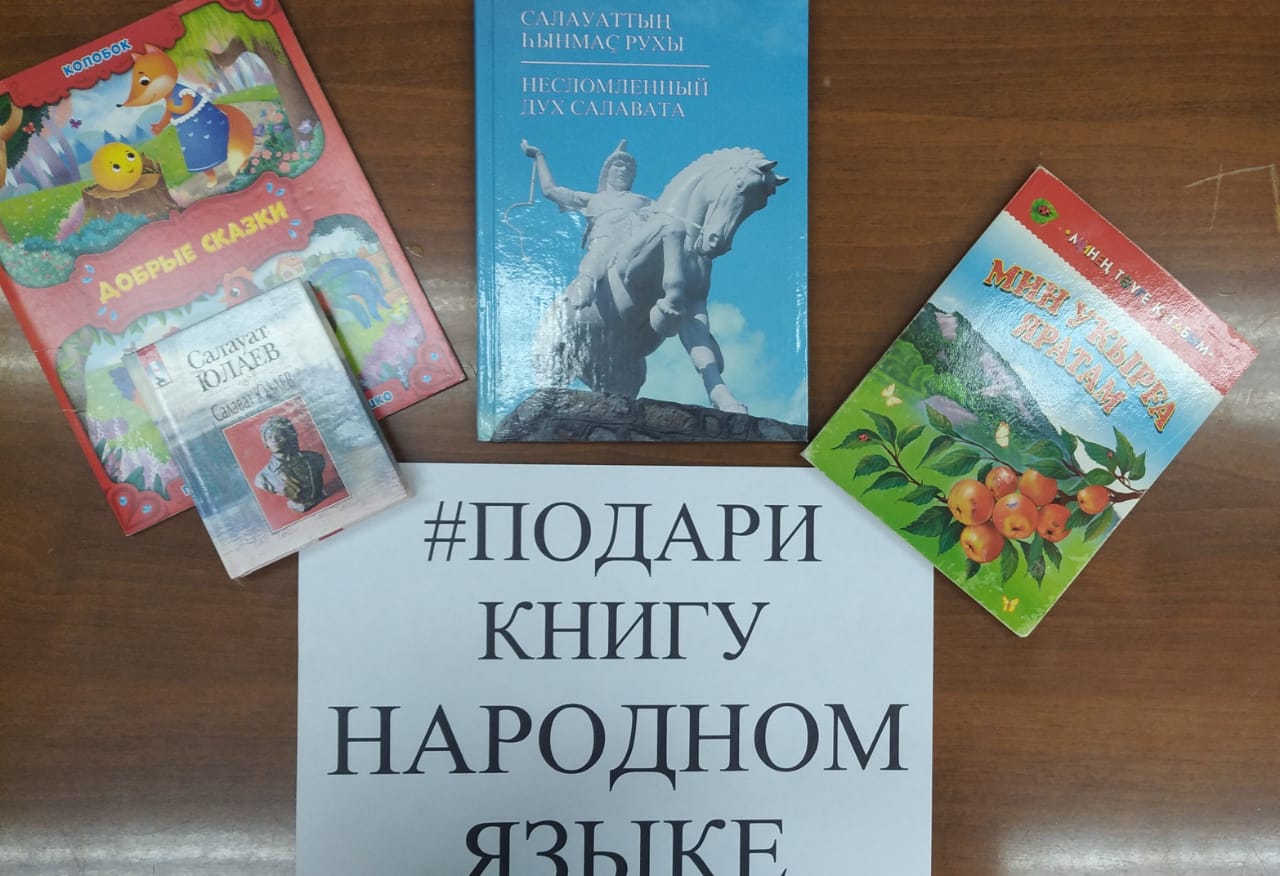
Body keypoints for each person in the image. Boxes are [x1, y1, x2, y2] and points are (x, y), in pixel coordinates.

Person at [521, 138, 652, 307]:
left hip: (638, 241)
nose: (624, 170)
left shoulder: (643, 200)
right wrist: (539, 156)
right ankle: (586, 283)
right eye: (618, 165)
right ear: (607, 172)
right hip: (605, 242)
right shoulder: (593, 199)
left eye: (629, 168)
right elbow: (550, 190)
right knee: (598, 255)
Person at [254, 415, 327, 512]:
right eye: (269, 437)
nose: (274, 440)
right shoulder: (263, 478)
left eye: (278, 436)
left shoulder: (315, 458)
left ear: (289, 436)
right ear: (265, 443)